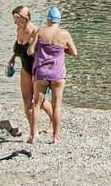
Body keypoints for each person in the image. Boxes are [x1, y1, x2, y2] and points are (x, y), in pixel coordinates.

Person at [27, 7, 77, 145]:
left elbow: (30, 50)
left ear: (48, 20)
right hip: (58, 73)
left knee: (36, 105)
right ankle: (55, 138)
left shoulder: (41, 31)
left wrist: (38, 49)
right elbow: (74, 52)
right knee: (57, 106)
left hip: (42, 72)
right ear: (59, 20)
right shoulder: (64, 34)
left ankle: (33, 136)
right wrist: (61, 49)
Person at [5, 4, 38, 118]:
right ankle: (33, 129)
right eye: (15, 21)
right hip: (25, 66)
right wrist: (13, 58)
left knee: (39, 101)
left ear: (26, 19)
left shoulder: (35, 32)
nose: (15, 23)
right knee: (26, 98)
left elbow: (40, 53)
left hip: (36, 67)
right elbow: (19, 47)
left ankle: (52, 121)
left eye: (17, 21)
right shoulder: (19, 29)